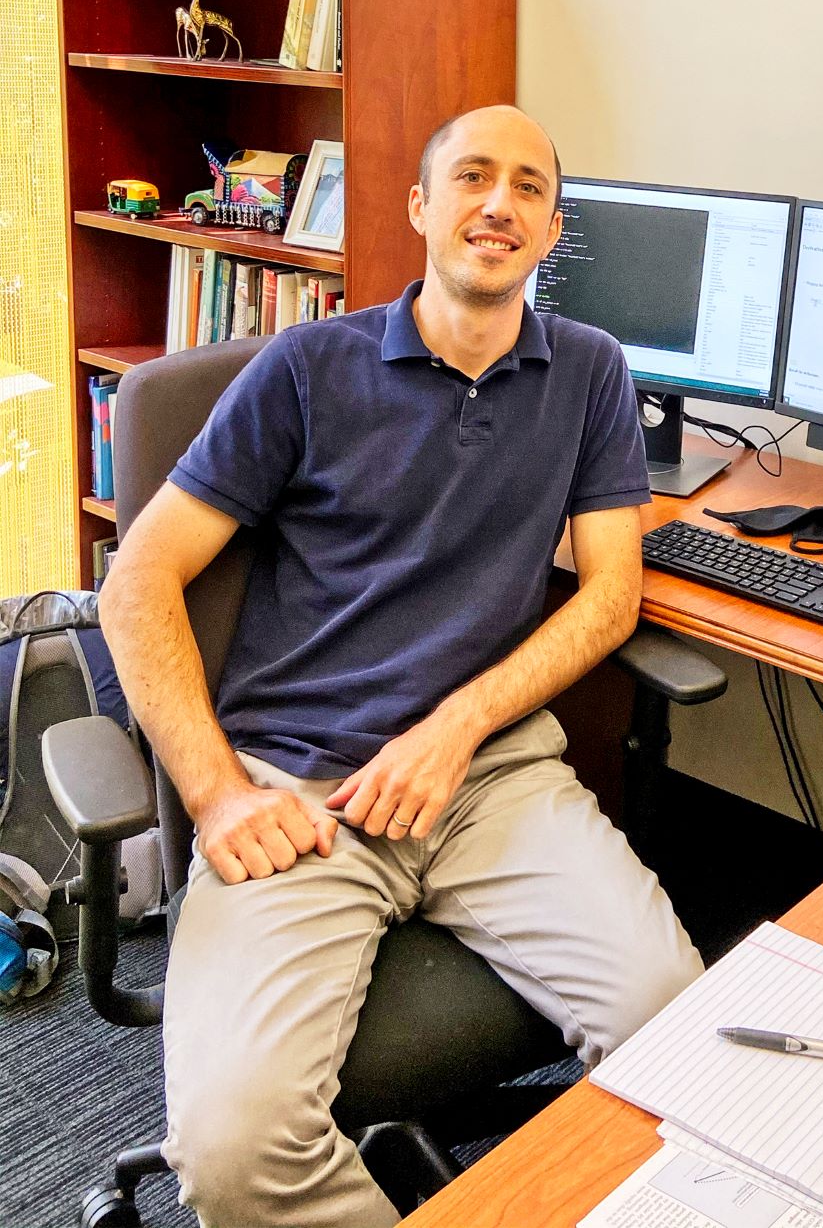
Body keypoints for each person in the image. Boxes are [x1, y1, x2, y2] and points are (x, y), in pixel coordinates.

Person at [99, 105, 704, 1228]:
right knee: (232, 1151)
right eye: (472, 176)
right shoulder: (307, 368)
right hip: (301, 793)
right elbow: (135, 584)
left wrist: (457, 727)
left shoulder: (588, 370)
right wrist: (216, 789)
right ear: (421, 207)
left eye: (527, 186)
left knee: (681, 1035)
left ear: (552, 227)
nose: (498, 203)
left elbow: (613, 592)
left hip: (493, 782)